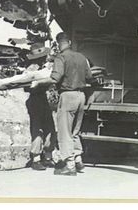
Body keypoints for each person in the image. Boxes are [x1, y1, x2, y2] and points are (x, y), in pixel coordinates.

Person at [31, 32, 92, 176]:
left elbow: (55, 78)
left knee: (64, 132)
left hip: (68, 95)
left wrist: (38, 82)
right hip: (81, 96)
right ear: (69, 42)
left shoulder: (61, 57)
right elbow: (90, 77)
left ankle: (69, 165)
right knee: (75, 131)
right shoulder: (82, 57)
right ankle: (78, 159)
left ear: (58, 44)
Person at [24, 43, 57, 171]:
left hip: (43, 99)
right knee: (37, 129)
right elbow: (26, 86)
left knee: (49, 128)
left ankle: (47, 156)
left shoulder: (45, 67)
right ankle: (36, 158)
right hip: (35, 99)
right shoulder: (31, 69)